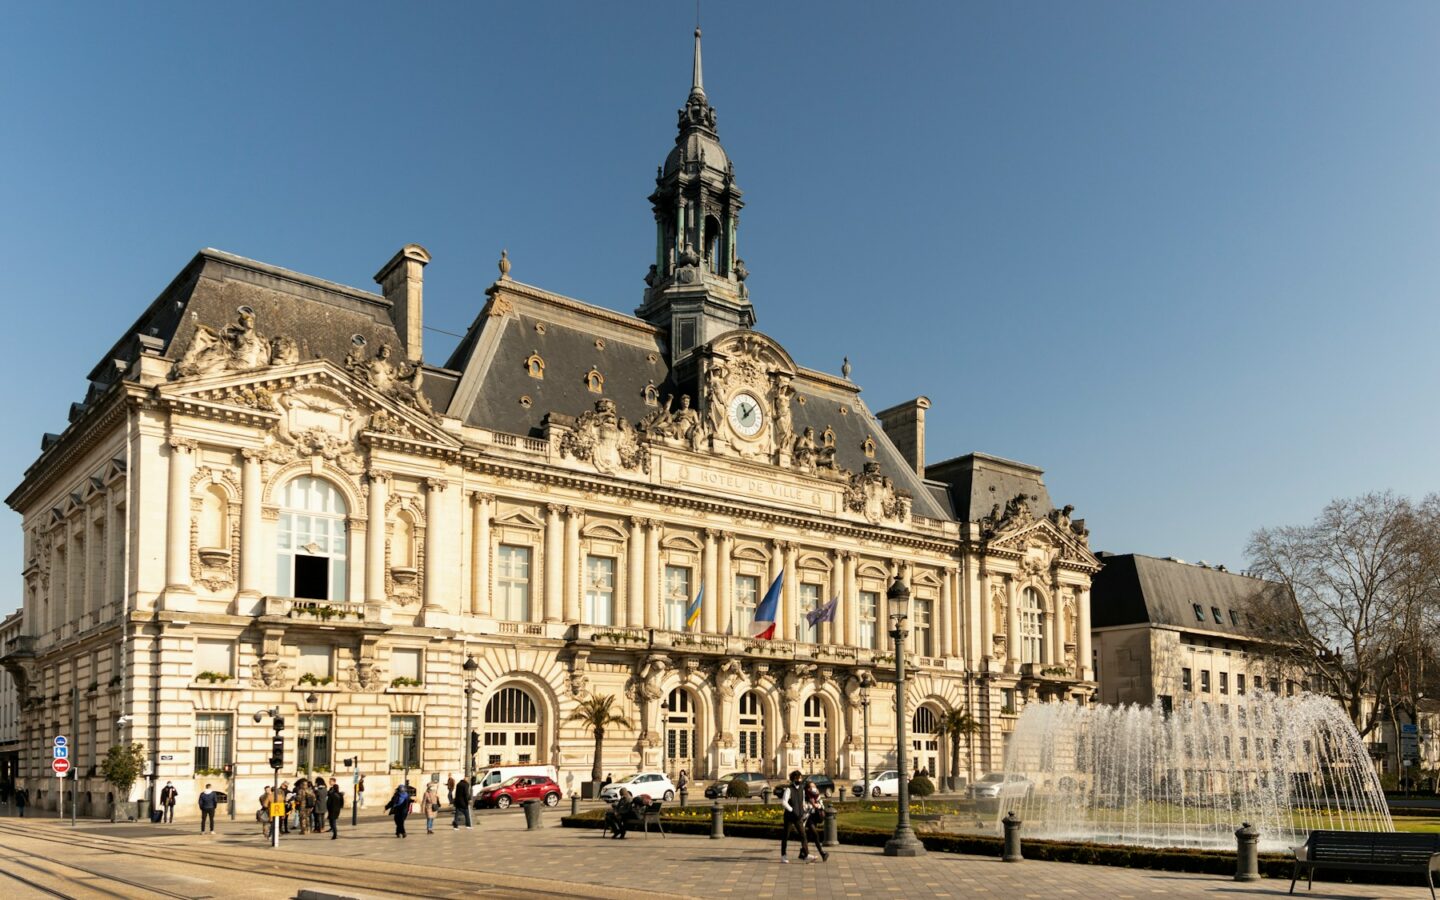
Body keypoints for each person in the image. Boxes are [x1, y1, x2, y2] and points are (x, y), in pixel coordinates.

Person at [778, 770, 808, 863]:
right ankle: (783, 855)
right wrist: (792, 810)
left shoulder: (802, 789)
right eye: (799, 778)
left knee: (803, 835)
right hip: (789, 817)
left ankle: (805, 854)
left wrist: (805, 807)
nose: (800, 779)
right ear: (794, 779)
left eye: (801, 778)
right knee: (786, 835)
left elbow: (802, 801)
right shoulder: (788, 789)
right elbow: (784, 802)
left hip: (798, 816)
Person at [801, 780, 829, 862]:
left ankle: (802, 852)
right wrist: (811, 805)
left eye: (814, 786)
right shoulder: (805, 795)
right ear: (808, 788)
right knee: (815, 834)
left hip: (815, 817)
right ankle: (822, 853)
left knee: (810, 836)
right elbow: (803, 807)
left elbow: (822, 805)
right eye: (811, 787)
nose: (813, 788)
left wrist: (818, 805)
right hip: (808, 817)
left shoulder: (817, 795)